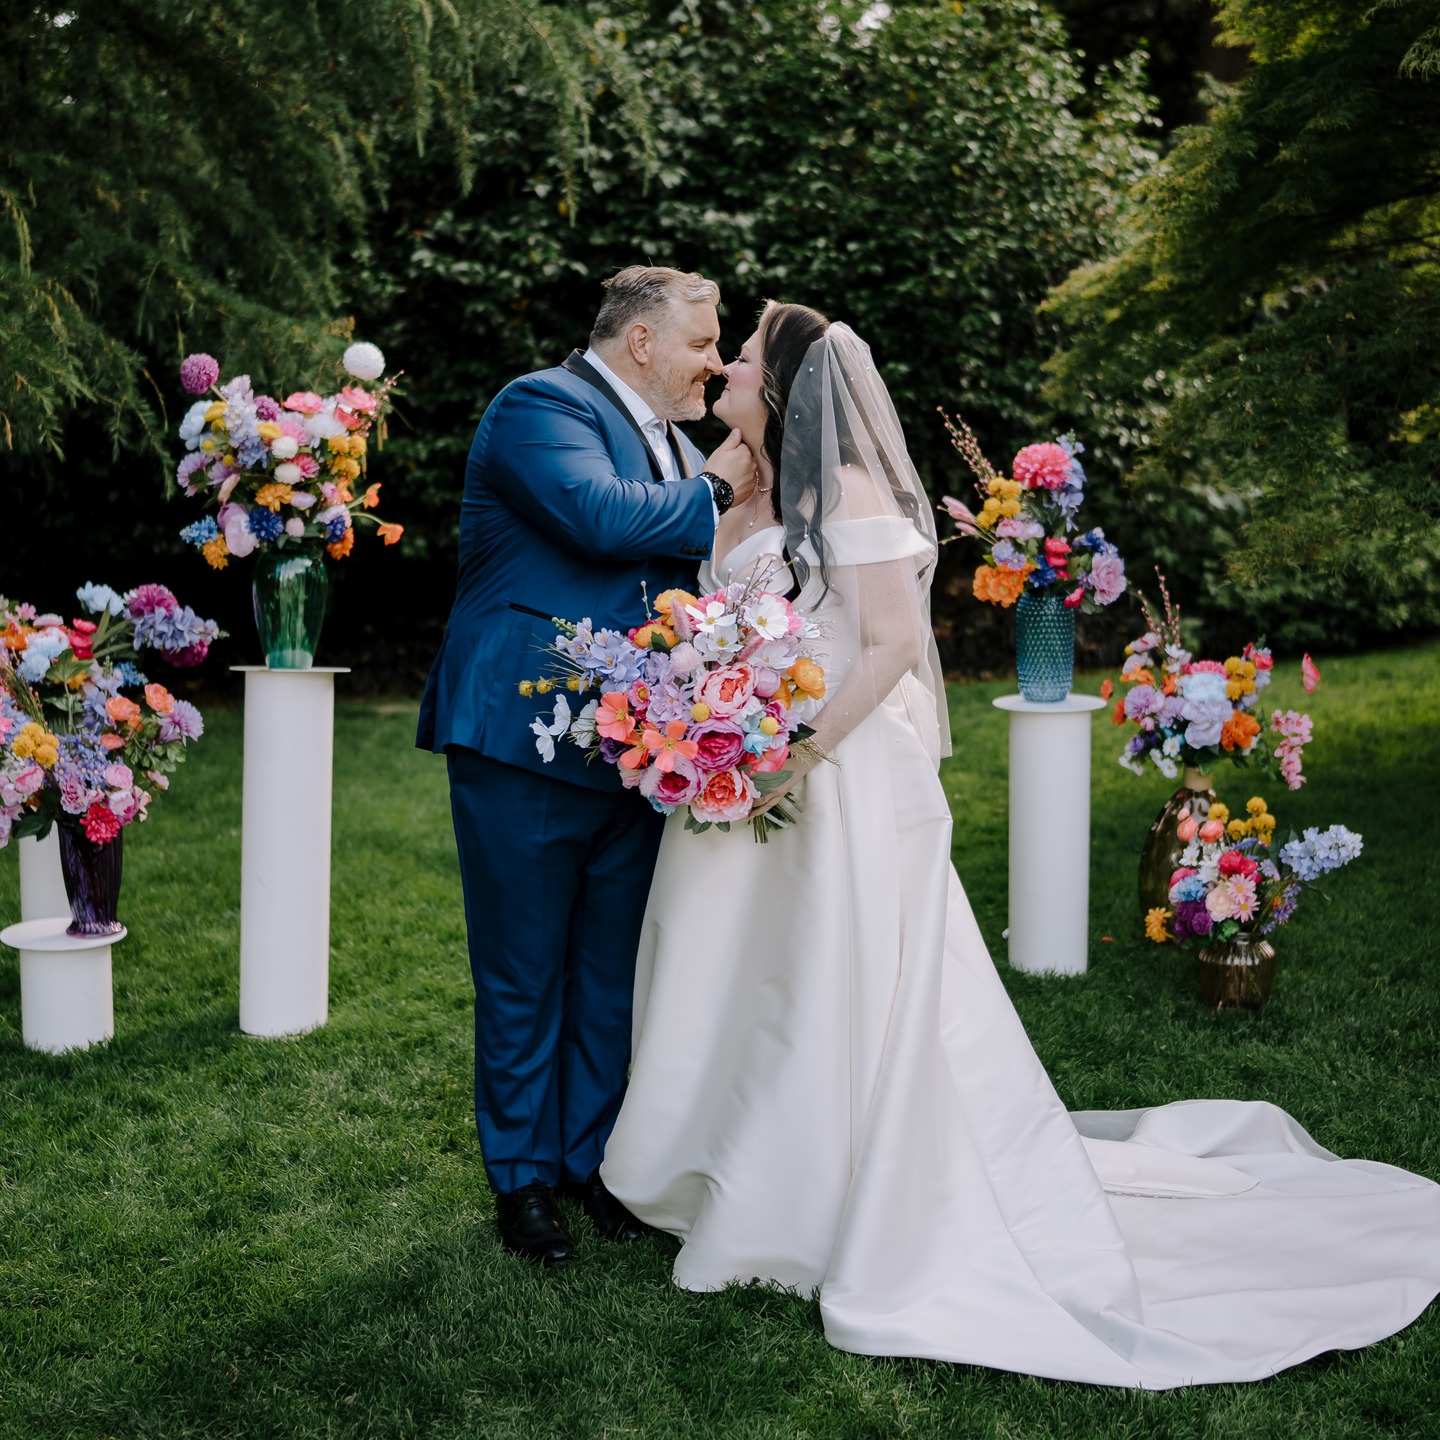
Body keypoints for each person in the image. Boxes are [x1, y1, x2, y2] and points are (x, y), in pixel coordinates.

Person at [599, 302, 1440, 1388]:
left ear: (792, 389)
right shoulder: (750, 485)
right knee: (739, 971)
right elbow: (733, 612)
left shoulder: (847, 491)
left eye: (748, 359)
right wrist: (708, 715)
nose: (730, 369)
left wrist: (792, 753)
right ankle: (722, 1163)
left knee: (826, 979)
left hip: (832, 779)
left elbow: (893, 645)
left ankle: (816, 1188)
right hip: (740, 773)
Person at [417, 266, 758, 1265]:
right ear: (642, 342)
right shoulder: (539, 405)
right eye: (703, 342)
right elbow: (600, 518)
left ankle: (589, 1165)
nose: (714, 361)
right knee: (524, 972)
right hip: (523, 736)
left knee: (609, 973)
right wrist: (728, 481)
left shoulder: (675, 441)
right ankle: (520, 1184)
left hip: (640, 749)